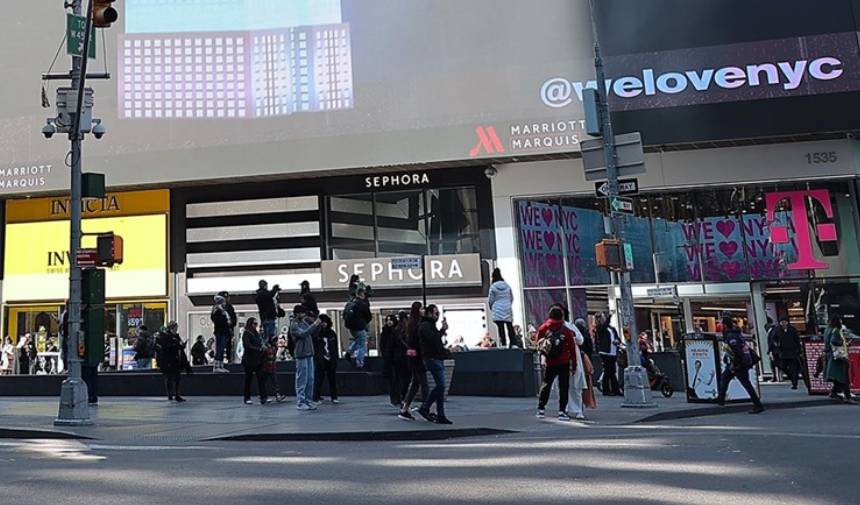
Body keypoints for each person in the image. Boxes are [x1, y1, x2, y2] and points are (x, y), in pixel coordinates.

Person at [533, 306, 577, 421]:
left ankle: (541, 409)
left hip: (550, 361)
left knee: (546, 384)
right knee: (563, 386)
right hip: (564, 362)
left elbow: (538, 343)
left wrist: (543, 355)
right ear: (561, 316)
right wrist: (574, 364)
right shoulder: (566, 330)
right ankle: (562, 411)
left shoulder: (543, 328)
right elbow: (572, 348)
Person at [717, 317, 764, 414]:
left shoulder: (731, 336)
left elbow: (736, 352)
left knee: (744, 383)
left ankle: (757, 405)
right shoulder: (734, 334)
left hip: (737, 365)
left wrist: (735, 365)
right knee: (725, 379)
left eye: (721, 324)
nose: (720, 326)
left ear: (725, 325)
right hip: (735, 364)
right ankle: (720, 400)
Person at [416, 304, 453, 424]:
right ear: (430, 313)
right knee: (441, 386)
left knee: (441, 387)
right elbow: (434, 339)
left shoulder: (429, 325)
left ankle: (440, 413)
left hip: (435, 358)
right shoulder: (426, 326)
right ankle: (426, 407)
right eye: (436, 313)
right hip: (432, 358)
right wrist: (442, 330)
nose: (437, 316)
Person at [399, 302, 429, 420]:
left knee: (416, 383)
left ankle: (405, 408)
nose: (423, 310)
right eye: (421, 308)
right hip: (418, 356)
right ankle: (425, 407)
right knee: (423, 383)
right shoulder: (418, 323)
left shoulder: (411, 323)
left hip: (412, 356)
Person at [290, 304, 322, 410]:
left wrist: (315, 324)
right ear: (297, 314)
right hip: (301, 354)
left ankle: (308, 400)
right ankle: (301, 401)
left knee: (310, 379)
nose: (303, 315)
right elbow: (303, 334)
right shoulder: (294, 325)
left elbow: (312, 333)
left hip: (309, 353)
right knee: (302, 379)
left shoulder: (304, 322)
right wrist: (314, 325)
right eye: (302, 313)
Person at [824, 315, 856, 403]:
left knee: (837, 377)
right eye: (840, 320)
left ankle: (834, 392)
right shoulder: (836, 330)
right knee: (844, 377)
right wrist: (844, 343)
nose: (841, 322)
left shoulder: (827, 330)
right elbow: (834, 341)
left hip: (831, 355)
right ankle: (847, 396)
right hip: (839, 357)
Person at [343, 283, 372, 369]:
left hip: (351, 327)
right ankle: (359, 362)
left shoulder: (351, 303)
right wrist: (365, 323)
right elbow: (368, 316)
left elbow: (345, 314)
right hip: (360, 326)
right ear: (362, 294)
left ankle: (349, 352)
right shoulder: (363, 304)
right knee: (362, 344)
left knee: (359, 340)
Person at [240, 317, 268, 405]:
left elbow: (259, 342)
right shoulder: (246, 334)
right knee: (249, 379)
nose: (256, 326)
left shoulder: (256, 334)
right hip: (249, 360)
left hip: (257, 359)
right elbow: (247, 346)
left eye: (256, 324)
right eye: (254, 324)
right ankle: (247, 397)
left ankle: (263, 397)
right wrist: (258, 349)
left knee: (261, 378)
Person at [156, 322, 186, 402]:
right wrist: (176, 345)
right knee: (169, 378)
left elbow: (179, 345)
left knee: (177, 378)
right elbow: (166, 347)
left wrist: (182, 345)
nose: (176, 330)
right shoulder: (165, 336)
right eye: (175, 328)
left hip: (175, 359)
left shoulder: (176, 336)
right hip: (167, 360)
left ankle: (176, 394)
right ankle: (170, 395)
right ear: (171, 328)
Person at [313, 314, 340, 404]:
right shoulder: (317, 334)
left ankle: (334, 397)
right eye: (322, 322)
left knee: (332, 379)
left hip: (331, 359)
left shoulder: (332, 333)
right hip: (320, 359)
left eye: (325, 322)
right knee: (319, 379)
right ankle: (316, 397)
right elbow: (315, 347)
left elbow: (335, 347)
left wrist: (335, 358)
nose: (324, 324)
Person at [488, 268, 517, 348]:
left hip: (497, 309)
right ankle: (513, 343)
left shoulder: (493, 287)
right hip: (507, 308)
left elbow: (490, 300)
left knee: (500, 328)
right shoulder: (507, 286)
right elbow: (511, 297)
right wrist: (508, 304)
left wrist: (492, 307)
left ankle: (503, 344)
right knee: (509, 326)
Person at [379, 314, 403, 407]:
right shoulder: (385, 332)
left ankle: (398, 398)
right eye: (387, 320)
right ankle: (394, 399)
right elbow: (382, 345)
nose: (389, 322)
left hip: (397, 359)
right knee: (392, 380)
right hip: (389, 360)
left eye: (391, 320)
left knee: (398, 379)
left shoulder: (397, 331)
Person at [596, 312, 622, 396]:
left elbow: (616, 336)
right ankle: (606, 389)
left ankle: (615, 389)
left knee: (612, 371)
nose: (603, 319)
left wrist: (617, 340)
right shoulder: (600, 328)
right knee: (607, 371)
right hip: (605, 352)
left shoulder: (612, 328)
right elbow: (603, 327)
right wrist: (608, 317)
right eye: (602, 318)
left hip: (613, 351)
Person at [773, 318, 802, 389]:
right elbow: (774, 339)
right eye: (781, 322)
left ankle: (795, 383)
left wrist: (799, 349)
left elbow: (797, 339)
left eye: (784, 322)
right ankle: (791, 377)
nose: (783, 324)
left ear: (787, 322)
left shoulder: (792, 330)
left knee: (793, 368)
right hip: (783, 352)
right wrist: (777, 345)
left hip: (792, 351)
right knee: (783, 367)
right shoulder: (777, 330)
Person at [210, 294, 232, 373]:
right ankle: (217, 366)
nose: (224, 303)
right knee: (219, 349)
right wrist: (226, 321)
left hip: (223, 332)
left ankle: (220, 365)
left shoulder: (222, 311)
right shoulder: (218, 311)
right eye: (223, 302)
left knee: (222, 349)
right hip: (220, 332)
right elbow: (219, 322)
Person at [218, 291, 238, 364]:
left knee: (228, 344)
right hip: (220, 329)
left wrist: (232, 323)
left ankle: (228, 359)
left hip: (228, 329)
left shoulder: (229, 307)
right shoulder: (218, 307)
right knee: (220, 345)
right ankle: (219, 360)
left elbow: (233, 317)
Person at [765, 317, 781, 382]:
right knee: (777, 364)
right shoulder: (776, 329)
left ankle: (776, 377)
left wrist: (769, 350)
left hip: (774, 351)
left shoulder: (771, 332)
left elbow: (771, 342)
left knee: (773, 364)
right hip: (778, 350)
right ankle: (779, 377)